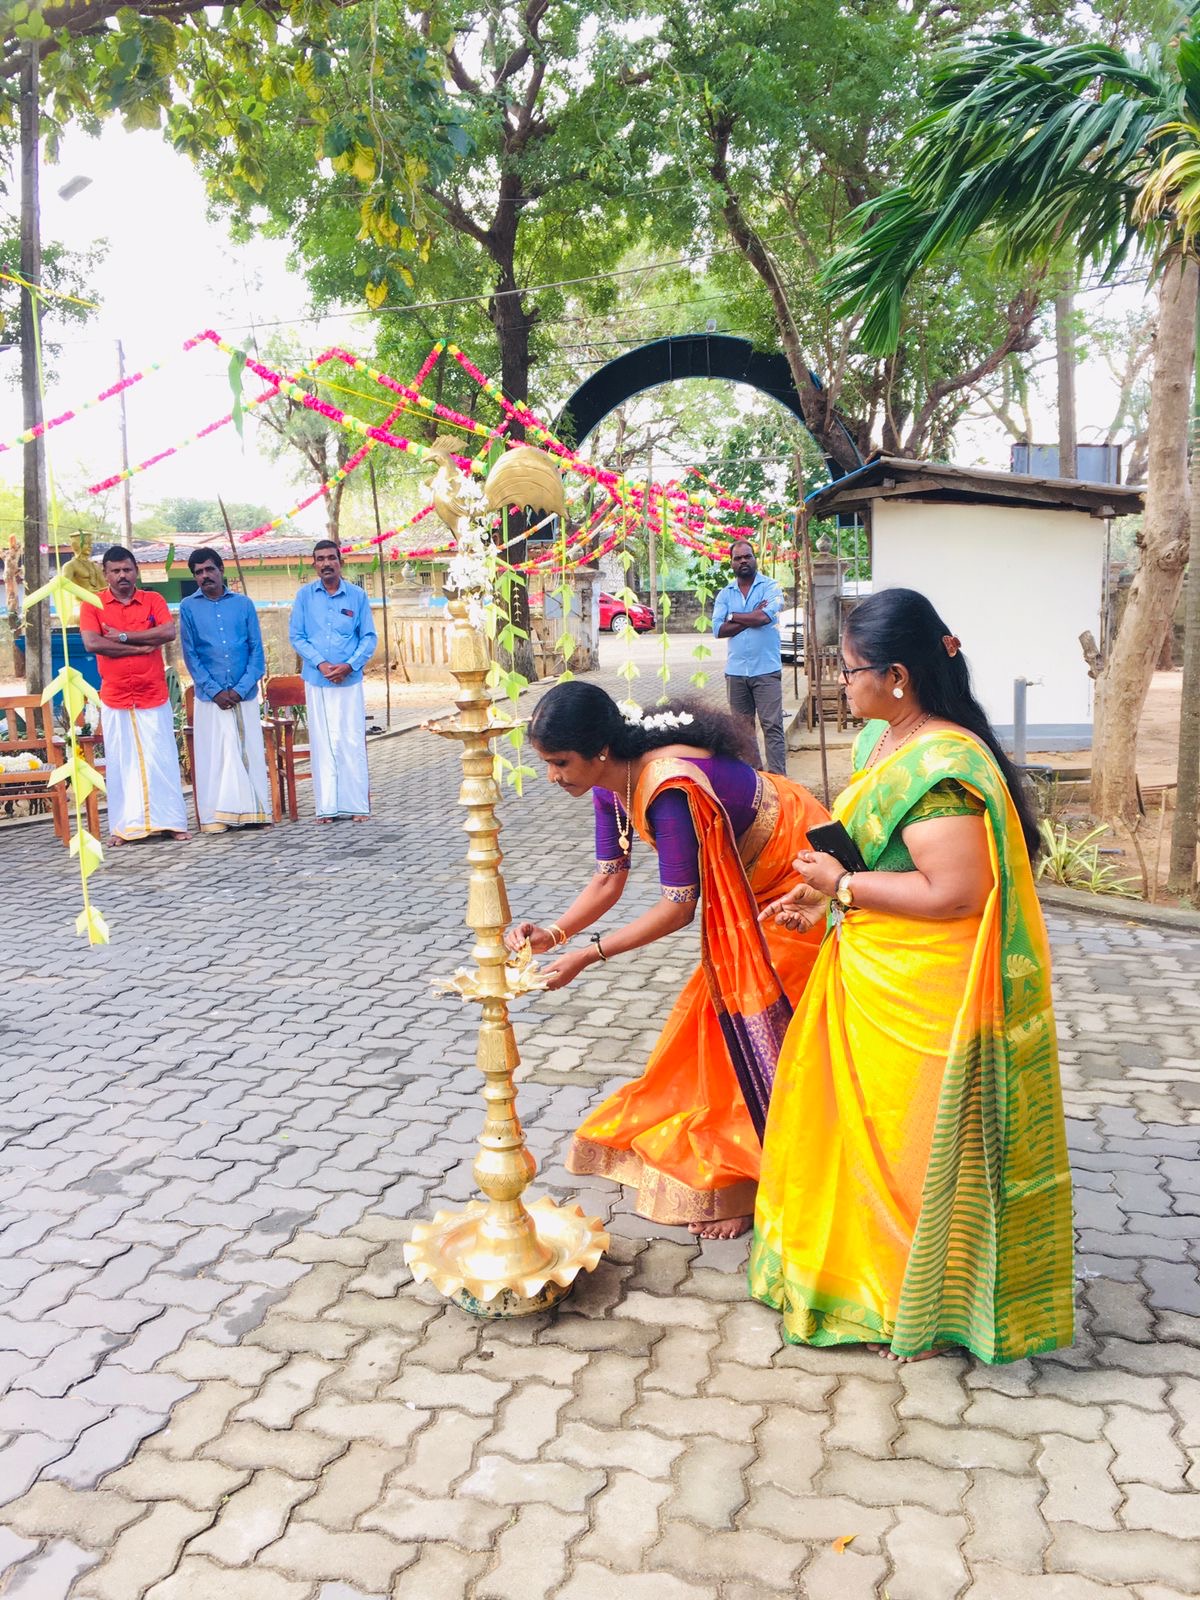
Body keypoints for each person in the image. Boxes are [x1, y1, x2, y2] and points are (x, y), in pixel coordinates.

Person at [751, 587, 1073, 1363]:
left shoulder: (942, 766)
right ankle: (853, 1278)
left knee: (910, 1146)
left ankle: (914, 1304)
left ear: (897, 676)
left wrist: (843, 887)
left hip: (925, 988)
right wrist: (819, 896)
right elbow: (879, 853)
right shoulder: (884, 740)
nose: (838, 681)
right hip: (871, 967)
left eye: (849, 668)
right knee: (857, 1140)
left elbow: (955, 892)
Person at [504, 681, 829, 1239]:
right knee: (714, 1019)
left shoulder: (666, 788)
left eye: (560, 763)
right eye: (547, 764)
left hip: (798, 877)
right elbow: (608, 879)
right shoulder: (611, 783)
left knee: (752, 1018)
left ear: (599, 750)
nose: (553, 777)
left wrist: (588, 954)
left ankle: (750, 1180)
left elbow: (678, 908)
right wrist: (553, 934)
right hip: (750, 886)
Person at [79, 546, 189, 846]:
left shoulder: (153, 600)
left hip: (152, 694)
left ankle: (171, 823)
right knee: (121, 763)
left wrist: (124, 637)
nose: (122, 575)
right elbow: (92, 643)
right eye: (115, 571)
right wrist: (141, 647)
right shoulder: (92, 604)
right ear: (105, 574)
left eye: (127, 569)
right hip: (116, 697)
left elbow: (167, 632)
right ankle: (125, 828)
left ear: (136, 571)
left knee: (161, 759)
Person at [179, 548, 272, 834]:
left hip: (244, 694)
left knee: (248, 752)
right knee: (215, 757)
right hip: (210, 698)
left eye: (209, 569)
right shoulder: (188, 607)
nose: (204, 576)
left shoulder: (243, 604)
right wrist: (215, 691)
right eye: (198, 572)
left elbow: (256, 651)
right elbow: (191, 655)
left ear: (221, 570)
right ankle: (215, 817)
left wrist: (241, 688)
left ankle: (253, 812)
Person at [289, 540, 377, 823]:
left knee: (351, 740)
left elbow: (368, 637)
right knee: (323, 742)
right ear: (314, 564)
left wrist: (349, 665)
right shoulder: (304, 596)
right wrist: (321, 664)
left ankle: (356, 806)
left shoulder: (357, 596)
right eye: (320, 559)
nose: (326, 563)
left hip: (349, 681)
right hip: (317, 680)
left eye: (331, 558)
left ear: (341, 562)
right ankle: (327, 807)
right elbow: (297, 636)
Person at [712, 539, 787, 776]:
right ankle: (755, 779)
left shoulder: (771, 587)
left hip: (766, 670)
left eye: (748, 556)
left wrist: (733, 616)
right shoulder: (725, 594)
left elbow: (764, 618)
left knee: (772, 726)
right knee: (743, 731)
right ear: (732, 563)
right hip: (736, 673)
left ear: (755, 559)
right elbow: (718, 630)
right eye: (738, 558)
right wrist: (751, 616)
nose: (743, 561)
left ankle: (779, 780)